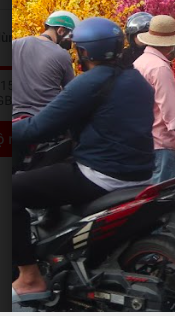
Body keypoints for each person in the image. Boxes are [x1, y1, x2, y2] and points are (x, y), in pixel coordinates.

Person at [12, 18, 154, 304]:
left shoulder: (90, 81)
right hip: (140, 173)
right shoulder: (137, 80)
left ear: (84, 52)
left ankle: (29, 277)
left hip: (100, 174)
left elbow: (38, 128)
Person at [132, 15, 175, 184]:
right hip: (162, 142)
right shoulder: (160, 67)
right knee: (163, 194)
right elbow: (169, 111)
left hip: (143, 139)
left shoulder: (140, 62)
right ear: (170, 43)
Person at [12, 10, 79, 118]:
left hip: (15, 118)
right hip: (47, 119)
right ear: (61, 31)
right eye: (71, 38)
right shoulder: (61, 54)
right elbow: (72, 93)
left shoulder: (14, 45)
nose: (71, 43)